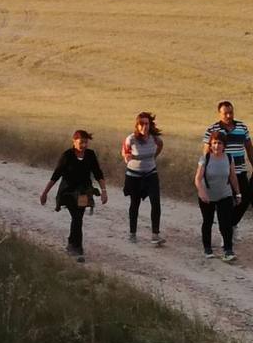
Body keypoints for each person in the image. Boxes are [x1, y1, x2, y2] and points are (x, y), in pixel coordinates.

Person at [39, 130, 108, 263]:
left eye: (86, 142)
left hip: (83, 191)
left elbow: (98, 173)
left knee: (79, 217)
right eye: (81, 142)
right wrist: (45, 192)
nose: (84, 145)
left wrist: (104, 191)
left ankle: (75, 245)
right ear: (74, 141)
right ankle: (74, 245)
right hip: (68, 192)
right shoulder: (67, 155)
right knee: (76, 216)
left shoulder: (90, 155)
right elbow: (56, 175)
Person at [202, 101, 253, 228]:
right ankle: (227, 230)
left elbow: (249, 148)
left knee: (244, 200)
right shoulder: (212, 129)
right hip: (222, 173)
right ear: (219, 114)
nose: (229, 116)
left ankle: (229, 225)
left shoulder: (242, 127)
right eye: (225, 113)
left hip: (240, 171)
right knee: (225, 202)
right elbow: (206, 153)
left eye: (231, 113)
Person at [195, 130, 242, 261]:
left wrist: (237, 193)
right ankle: (207, 247)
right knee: (208, 221)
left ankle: (228, 250)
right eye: (214, 143)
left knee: (225, 223)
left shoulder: (229, 158)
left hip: (224, 194)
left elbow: (232, 176)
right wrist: (201, 191)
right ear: (210, 144)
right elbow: (198, 178)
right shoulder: (205, 158)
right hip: (207, 196)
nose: (216, 146)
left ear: (224, 145)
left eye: (219, 143)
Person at [121, 111, 165, 245]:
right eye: (141, 124)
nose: (144, 127)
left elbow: (160, 146)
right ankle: (132, 233)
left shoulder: (155, 138)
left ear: (150, 125)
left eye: (146, 124)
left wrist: (153, 158)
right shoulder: (131, 139)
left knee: (155, 202)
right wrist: (128, 159)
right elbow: (124, 152)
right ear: (137, 125)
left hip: (151, 173)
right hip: (134, 176)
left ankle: (155, 234)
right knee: (135, 203)